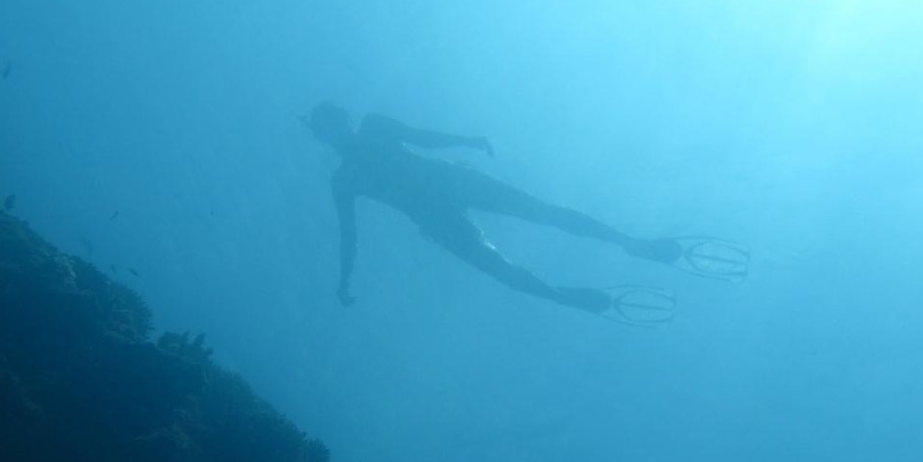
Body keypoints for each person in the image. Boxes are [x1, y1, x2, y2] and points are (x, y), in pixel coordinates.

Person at [305, 102, 737, 320]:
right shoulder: (344, 178)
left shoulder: (364, 145)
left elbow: (424, 136)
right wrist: (343, 278)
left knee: (544, 213)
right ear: (325, 136)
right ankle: (563, 294)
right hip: (436, 210)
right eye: (326, 129)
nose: (334, 132)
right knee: (504, 264)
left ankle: (633, 245)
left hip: (448, 184)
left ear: (339, 122)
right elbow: (349, 235)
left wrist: (466, 140)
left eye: (332, 124)